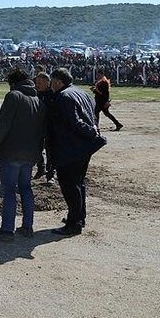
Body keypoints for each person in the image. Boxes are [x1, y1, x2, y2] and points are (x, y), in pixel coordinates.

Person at [0, 69, 47, 241]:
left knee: (9, 190)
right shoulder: (38, 101)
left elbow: (3, 125)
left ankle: (6, 231)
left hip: (11, 153)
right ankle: (27, 227)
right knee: (26, 188)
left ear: (13, 83)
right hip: (30, 154)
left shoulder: (13, 96)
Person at [47, 68, 107, 236]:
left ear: (58, 82)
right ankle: (79, 217)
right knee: (79, 184)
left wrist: (92, 132)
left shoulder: (64, 97)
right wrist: (93, 130)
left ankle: (74, 223)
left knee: (70, 186)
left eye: (52, 82)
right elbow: (93, 115)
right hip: (82, 148)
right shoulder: (81, 92)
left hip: (71, 148)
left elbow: (75, 122)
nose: (51, 85)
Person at [32, 72, 55, 183]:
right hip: (38, 127)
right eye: (36, 82)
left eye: (40, 83)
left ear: (47, 82)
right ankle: (41, 168)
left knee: (50, 151)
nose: (37, 85)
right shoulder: (35, 94)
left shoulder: (53, 94)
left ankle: (51, 174)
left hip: (50, 127)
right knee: (36, 149)